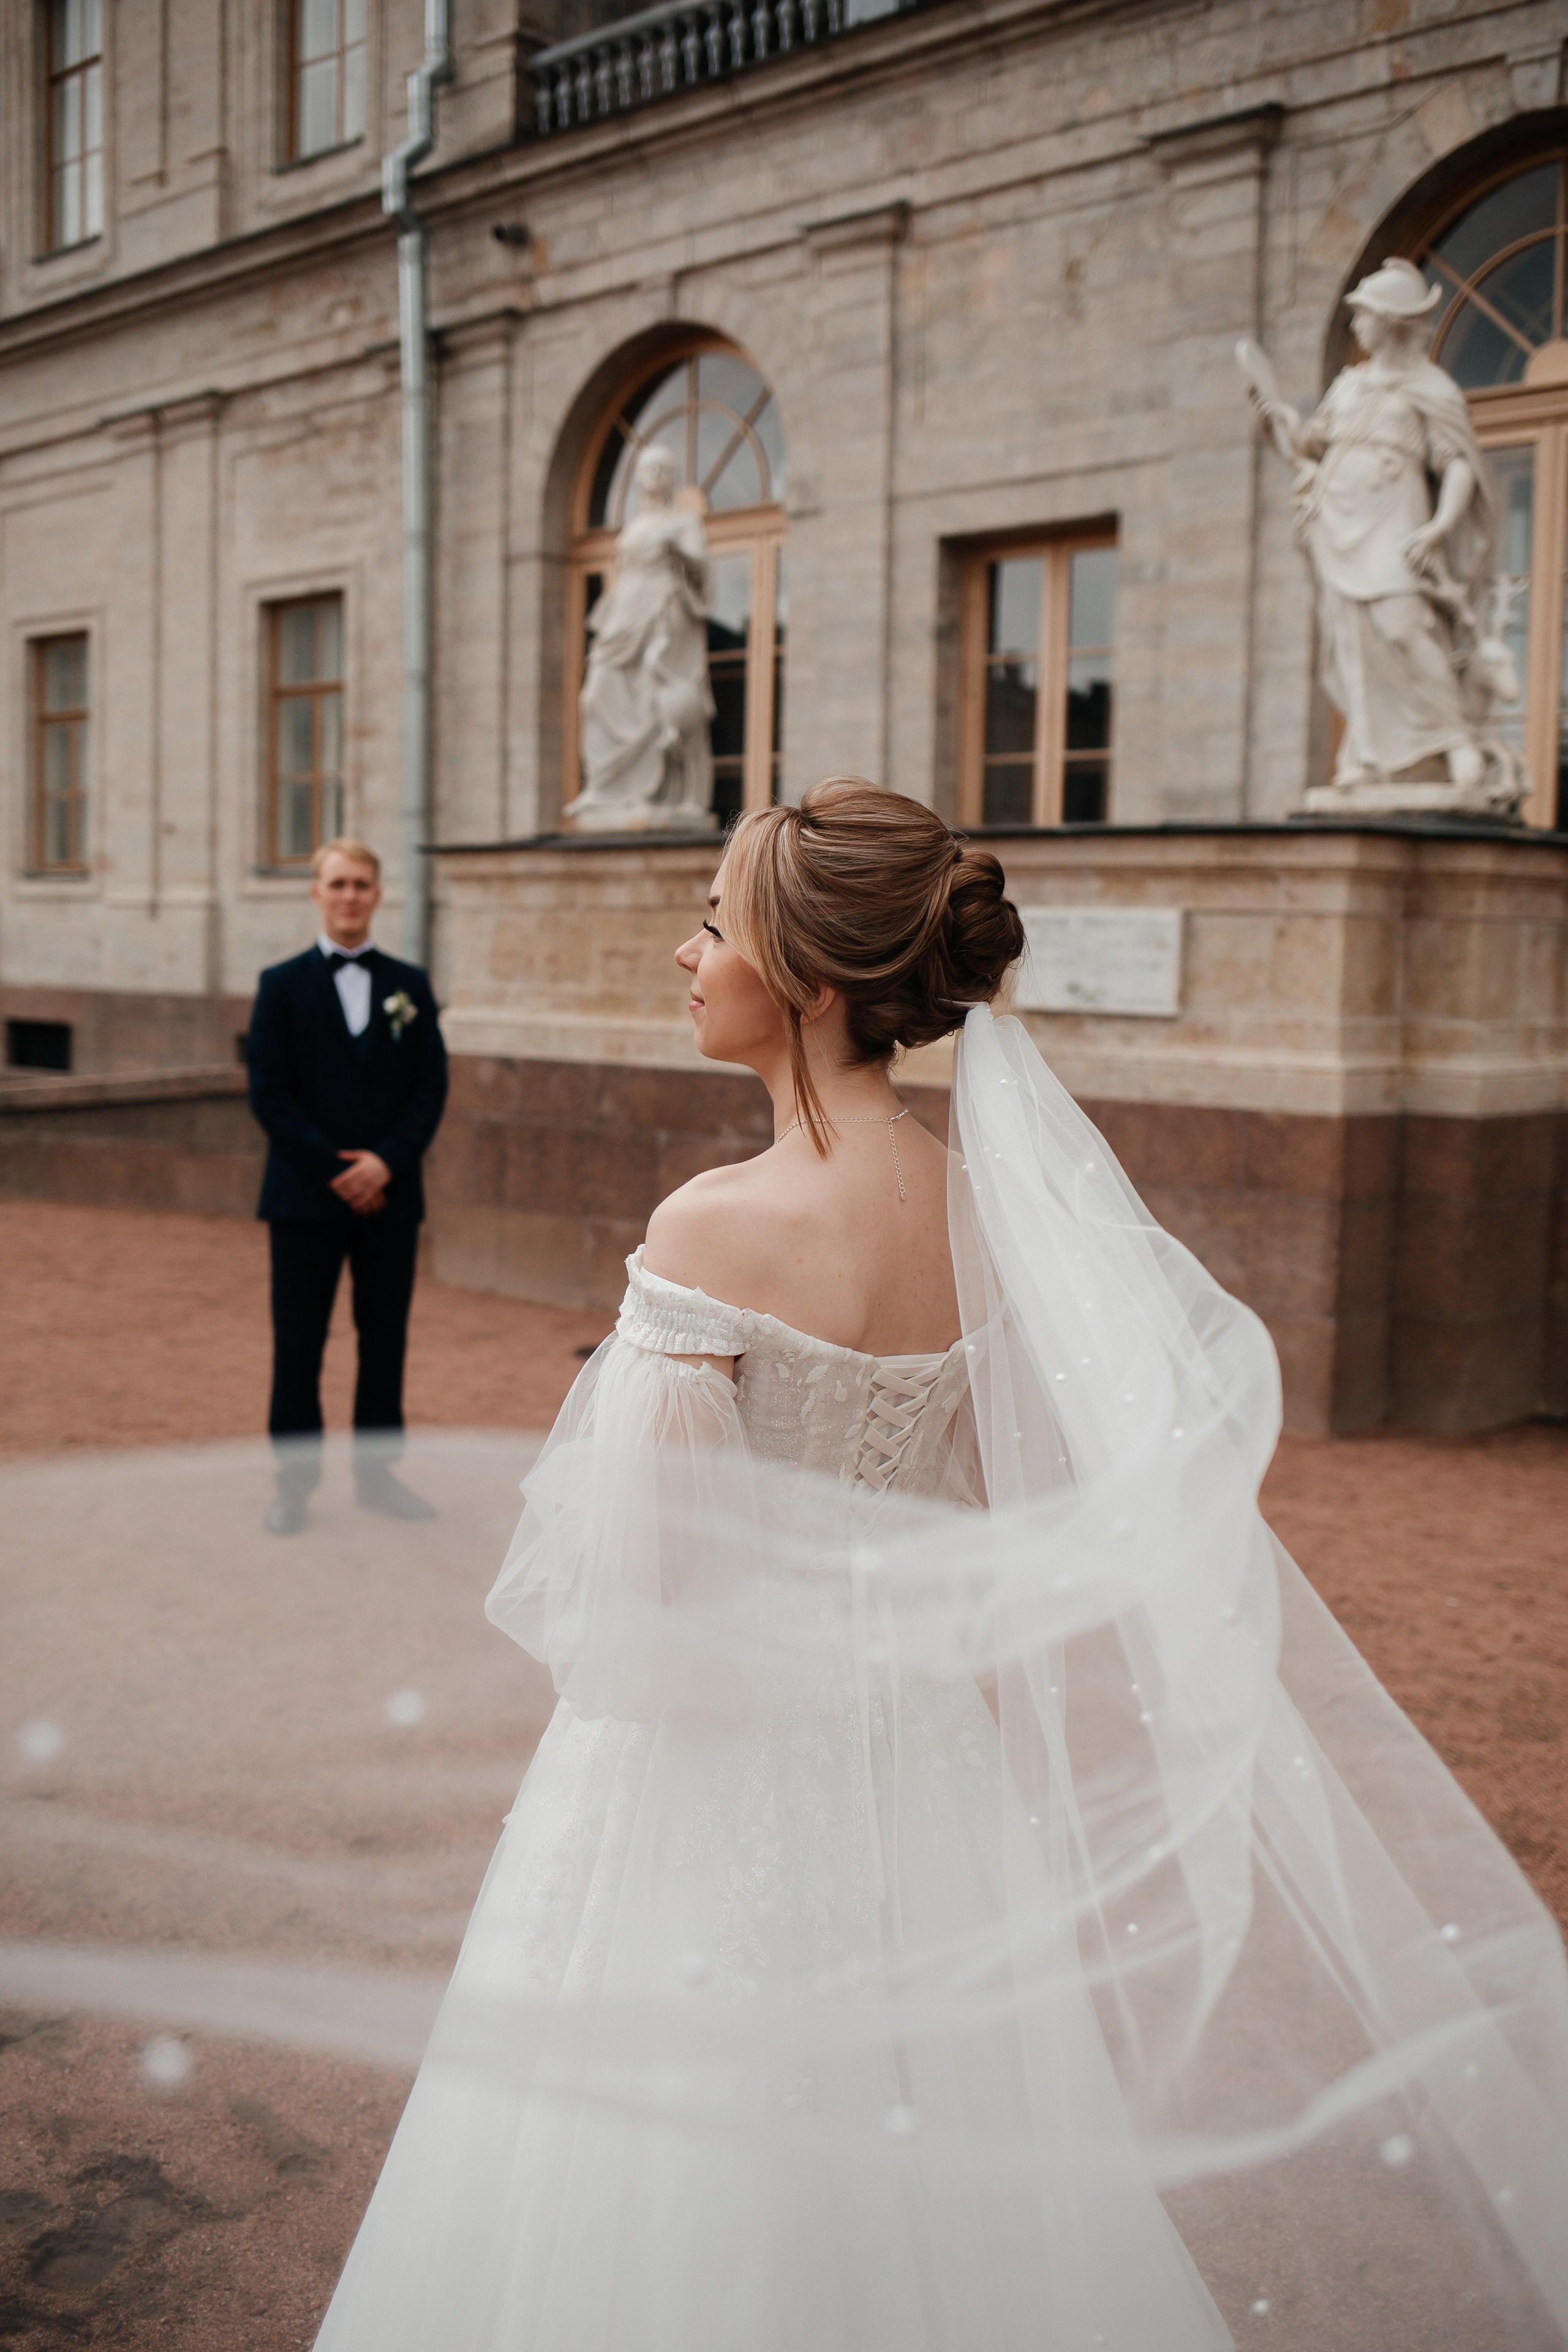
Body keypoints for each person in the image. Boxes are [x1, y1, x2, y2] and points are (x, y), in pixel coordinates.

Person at [314, 782, 1568, 2351]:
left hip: (705, 1793)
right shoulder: (979, 1212)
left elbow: (641, 1611)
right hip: (921, 1778)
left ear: (813, 981)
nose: (683, 950)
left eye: (714, 921)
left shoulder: (710, 1229)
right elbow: (976, 1529)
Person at [247, 838, 448, 1535]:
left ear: (378, 893)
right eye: (337, 884)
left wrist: (384, 1164)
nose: (350, 896)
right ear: (315, 892)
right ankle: (293, 1484)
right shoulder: (279, 986)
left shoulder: (409, 986)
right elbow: (269, 1095)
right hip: (304, 1200)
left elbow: (429, 1090)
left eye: (362, 884)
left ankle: (377, 1475)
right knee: (298, 1342)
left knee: (383, 1337)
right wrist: (338, 1170)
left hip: (389, 1200)